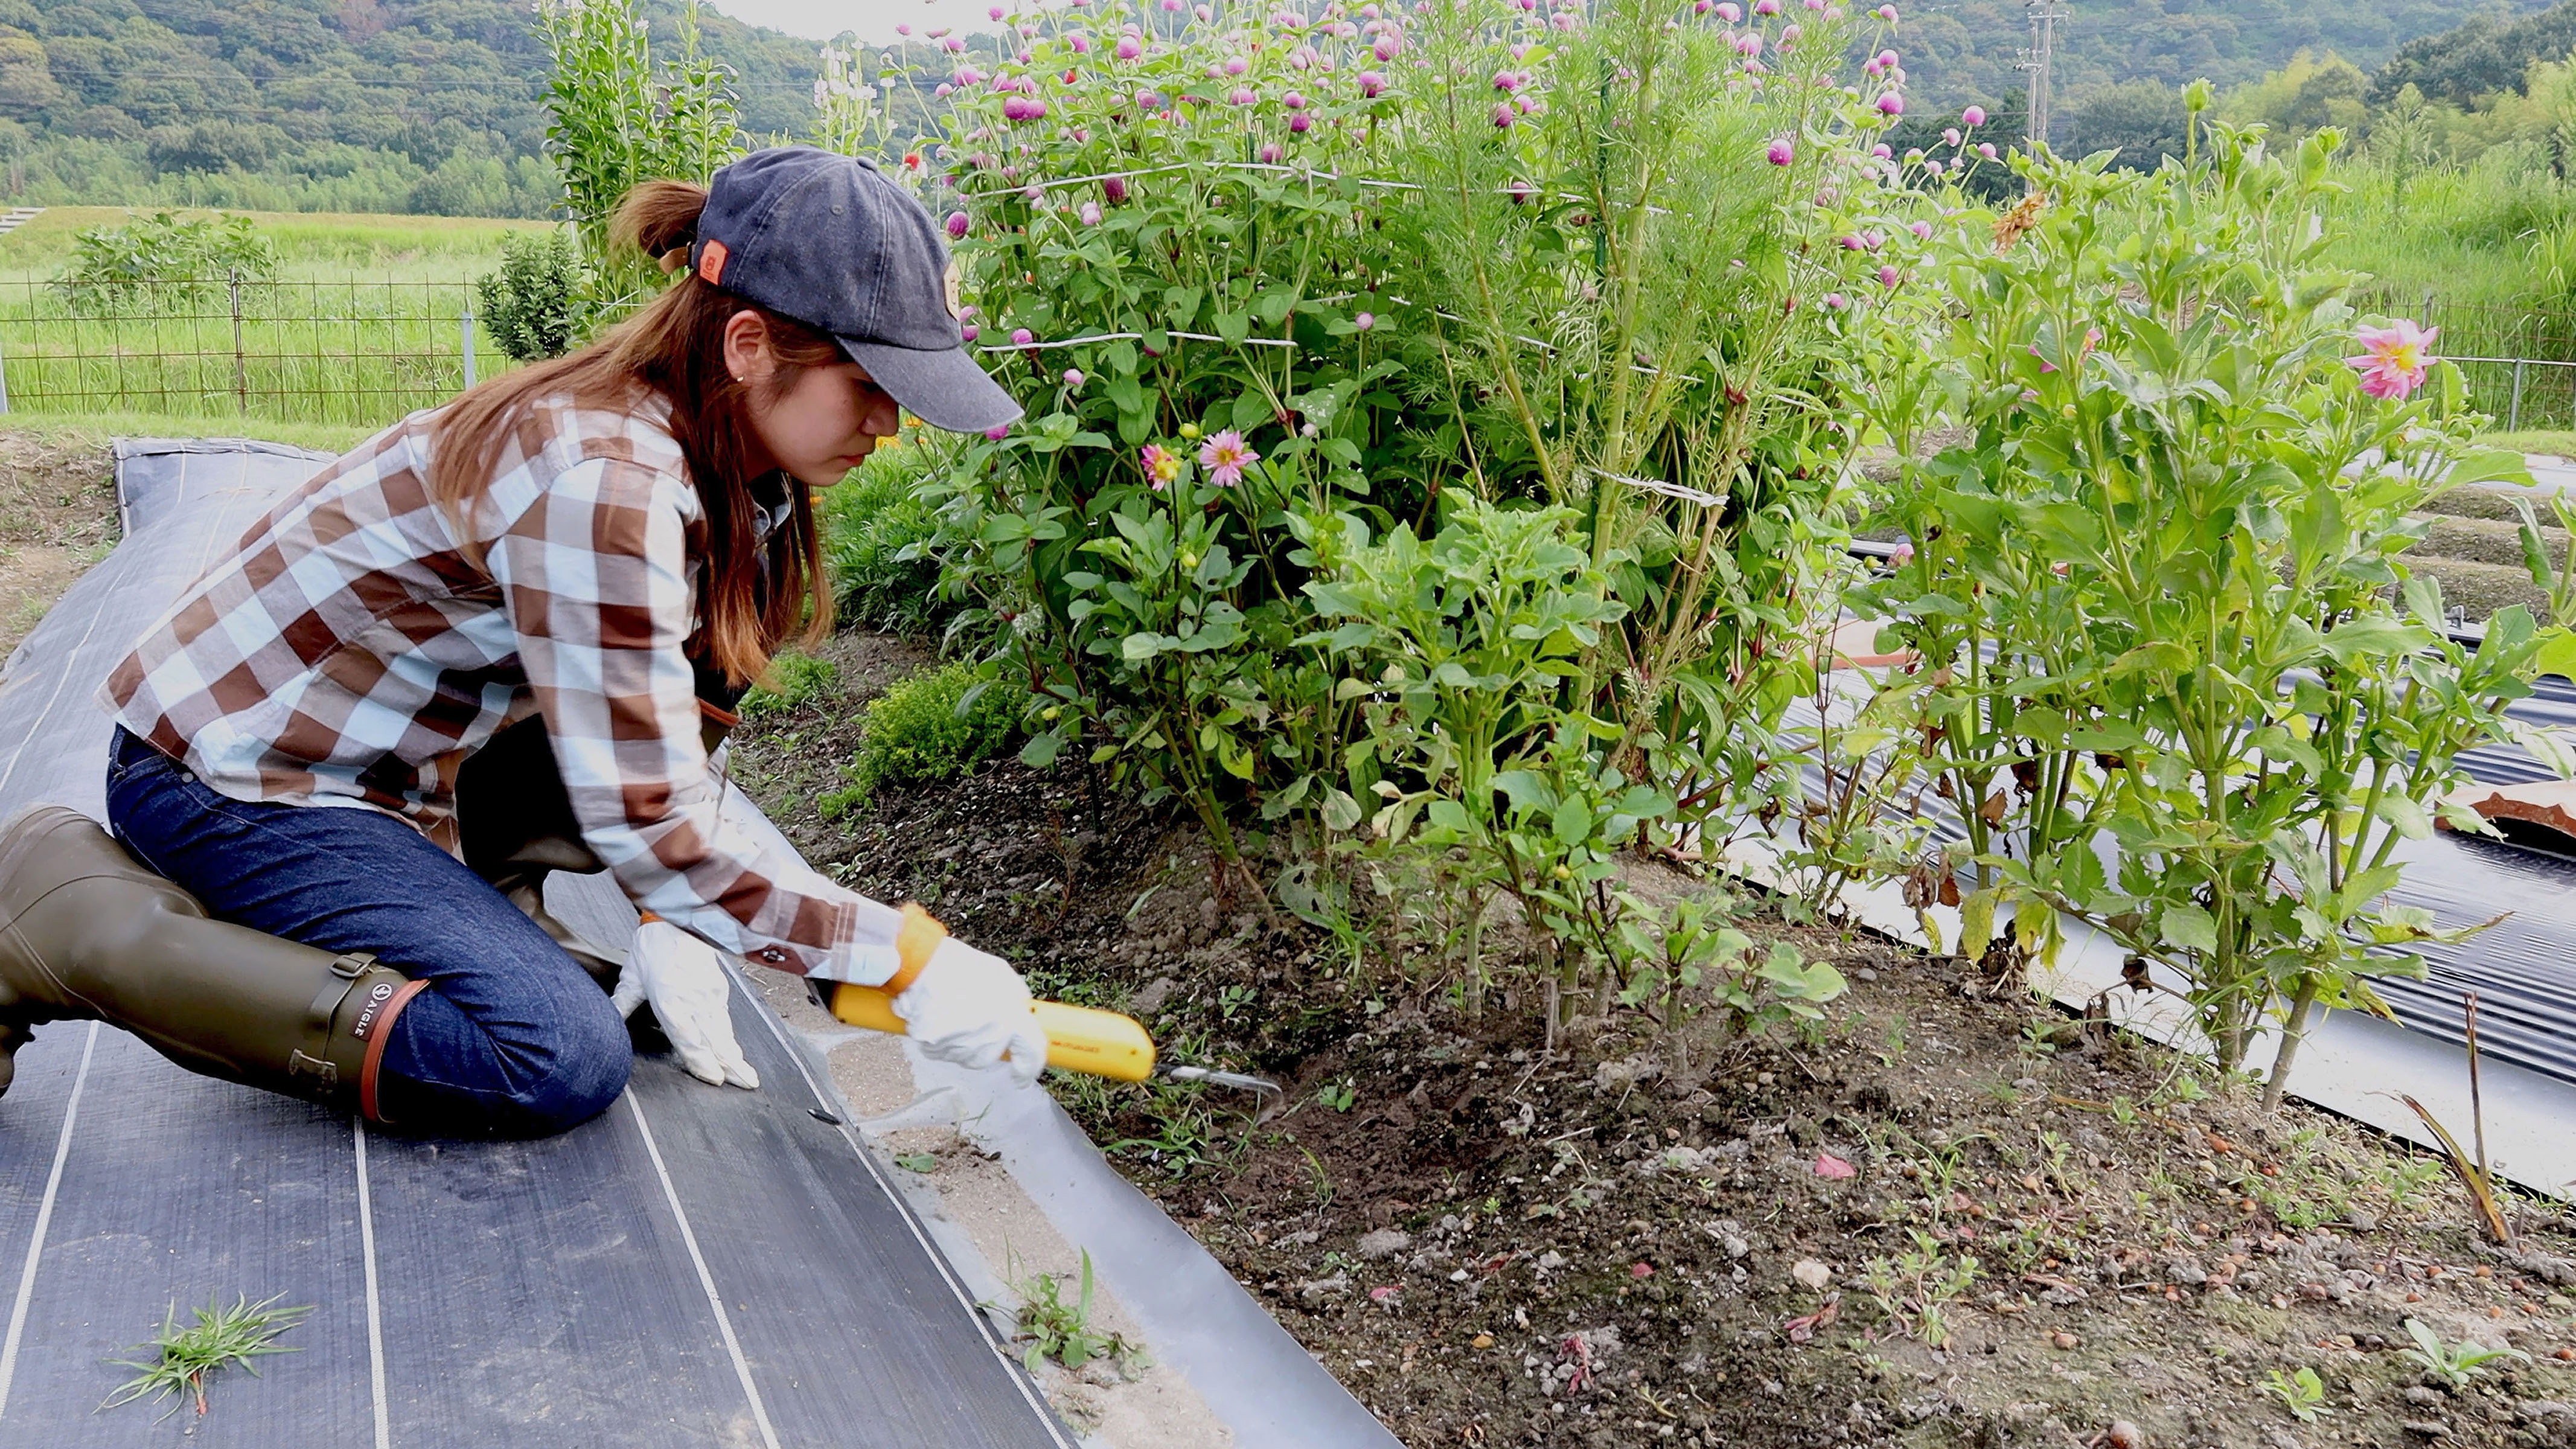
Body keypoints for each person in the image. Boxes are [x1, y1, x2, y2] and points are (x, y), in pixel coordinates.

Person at [0, 147, 1049, 1137]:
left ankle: (487, 906)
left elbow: (658, 734)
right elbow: (651, 822)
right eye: (869, 387)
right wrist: (906, 960)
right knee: (552, 1050)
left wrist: (672, 920)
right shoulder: (607, 482)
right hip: (238, 777)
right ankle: (77, 927)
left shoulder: (732, 471)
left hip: (403, 763)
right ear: (749, 346)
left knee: (688, 707)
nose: (890, 425)